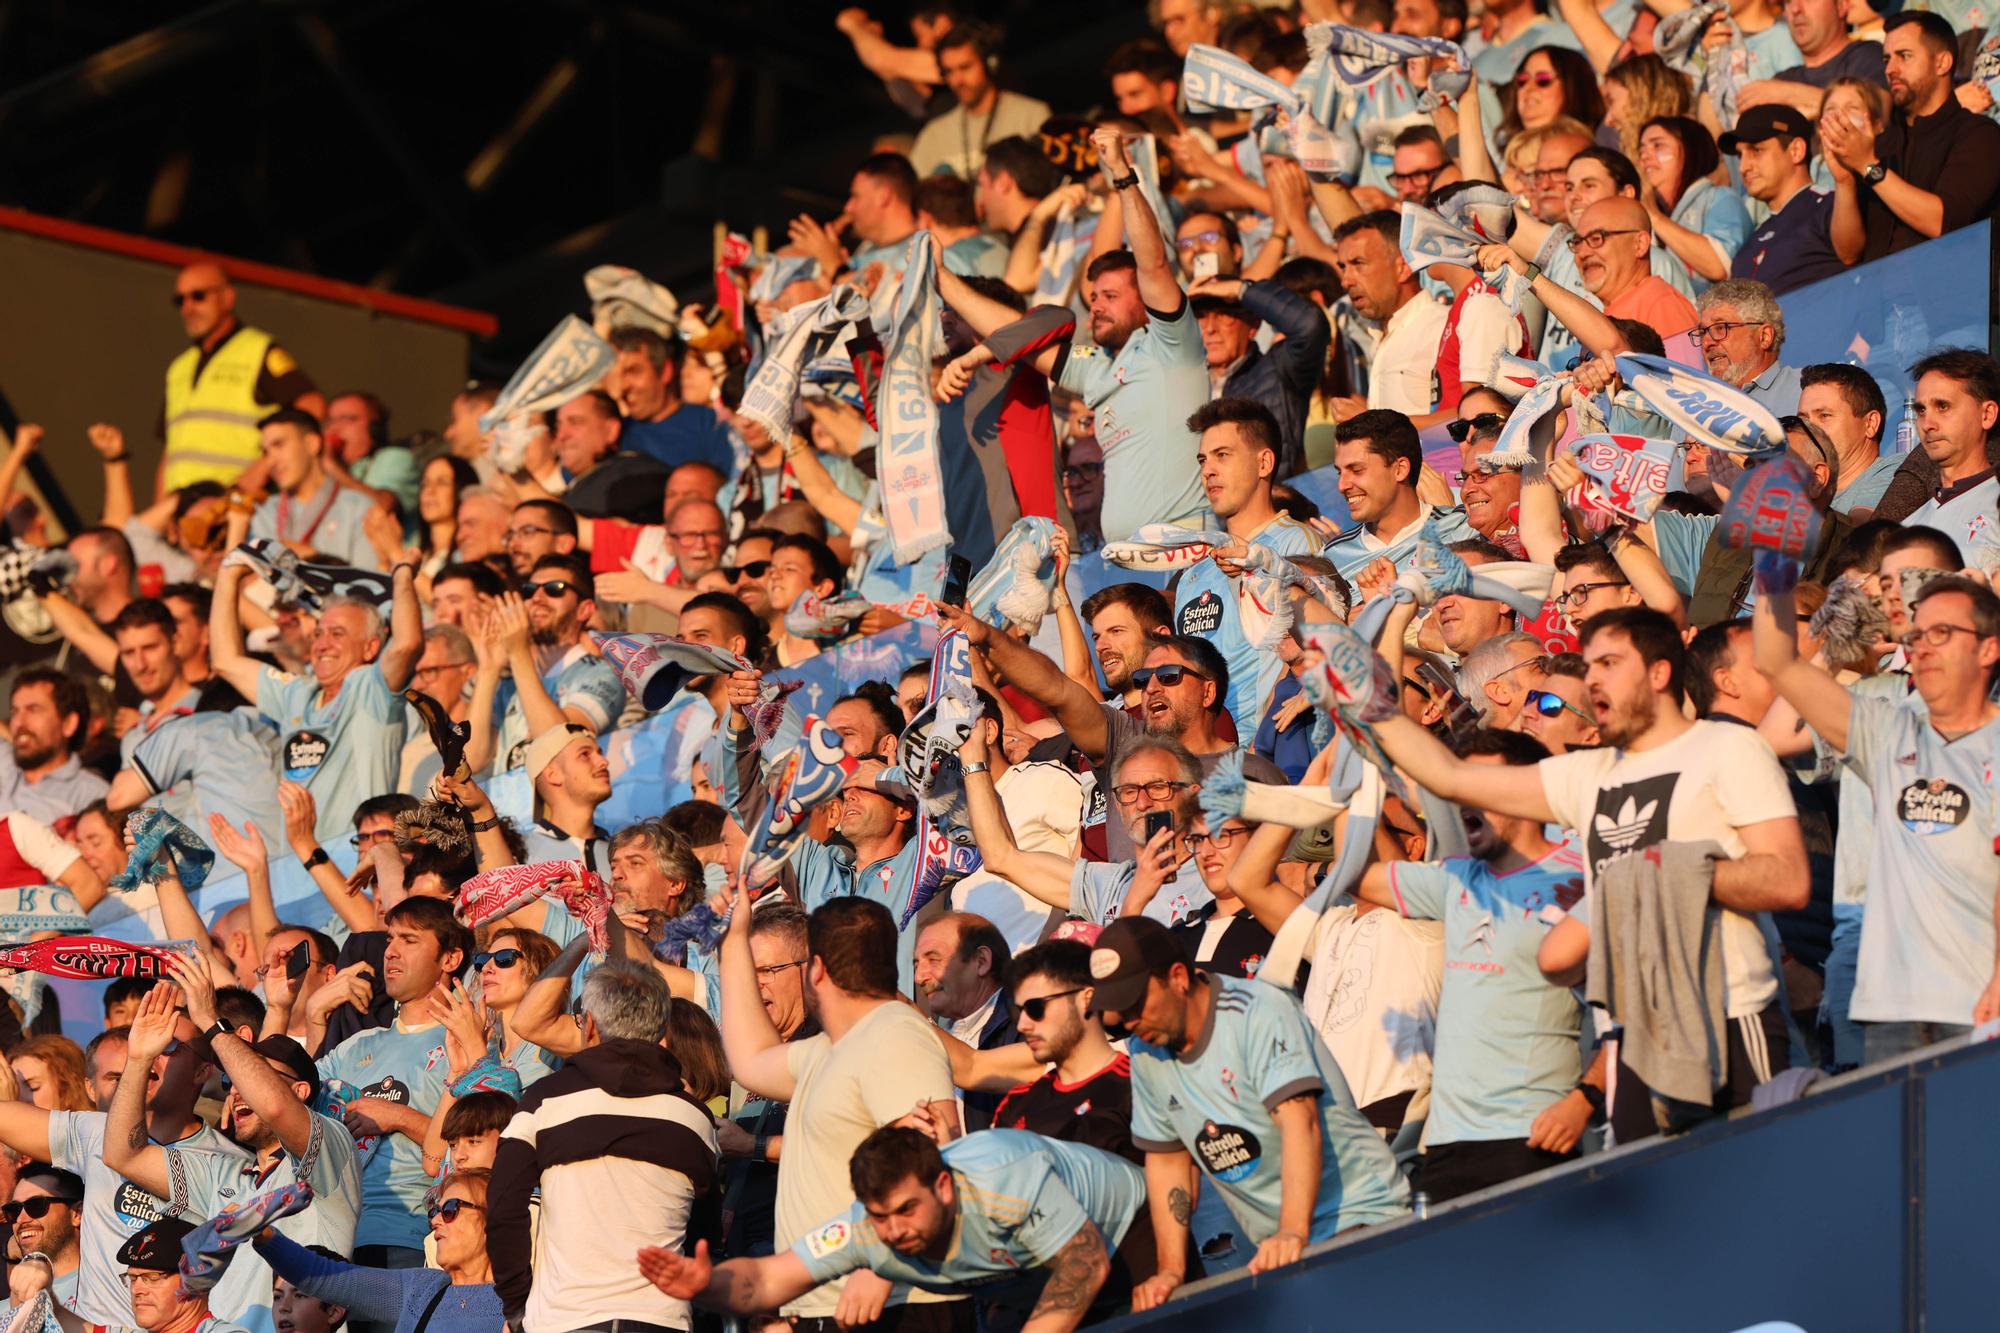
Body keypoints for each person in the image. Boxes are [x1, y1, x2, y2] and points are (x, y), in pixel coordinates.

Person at [1373, 606, 1809, 1140]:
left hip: (1731, 1018)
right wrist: (1365, 698)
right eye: (1590, 664)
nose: (1594, 677)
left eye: (1609, 662)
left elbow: (1787, 880)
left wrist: (1666, 870)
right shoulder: (1587, 775)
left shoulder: (1726, 747)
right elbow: (1447, 776)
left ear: (1659, 673)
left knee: (1760, 1195)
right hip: (1632, 1040)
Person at [1087, 917, 1409, 1302]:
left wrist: (1292, 1232)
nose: (1127, 1020)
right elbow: (1168, 1162)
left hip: (1361, 1217)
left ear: (1178, 977)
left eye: (1135, 1003)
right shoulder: (1145, 1050)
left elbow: (1299, 1124)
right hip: (1281, 1247)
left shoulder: (1257, 1011)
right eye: (1117, 1010)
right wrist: (1170, 1271)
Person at [1755, 571, 2000, 1058]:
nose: (1921, 648)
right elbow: (1779, 663)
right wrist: (1773, 564)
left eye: (1940, 634)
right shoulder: (1885, 728)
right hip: (1890, 1001)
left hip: (1975, 991)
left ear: (1989, 649)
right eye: (1914, 635)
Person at [939, 127, 1209, 544]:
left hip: (1186, 549)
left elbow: (1153, 263)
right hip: (1125, 563)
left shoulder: (1172, 344)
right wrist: (943, 280)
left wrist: (1121, 174)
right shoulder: (1096, 367)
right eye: (1094, 295)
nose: (1096, 305)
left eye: (1111, 296)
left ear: (1146, 300)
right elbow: (1015, 333)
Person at [717, 893, 963, 1332]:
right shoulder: (827, 1049)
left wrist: (880, 1267)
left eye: (767, 972)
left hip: (891, 1304)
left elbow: (937, 1158)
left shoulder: (896, 1035)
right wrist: (733, 939)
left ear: (815, 970)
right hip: (830, 1306)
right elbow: (751, 1059)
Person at [641, 1126, 1150, 1332]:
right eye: (880, 1216)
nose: (894, 1231)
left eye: (907, 1210)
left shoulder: (1000, 1177)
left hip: (1131, 1233)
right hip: (1025, 1272)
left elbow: (1085, 1265)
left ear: (945, 1188)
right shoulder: (868, 1228)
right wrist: (707, 1286)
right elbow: (768, 1279)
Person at [105, 968, 361, 1333]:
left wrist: (210, 1021)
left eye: (252, 1078)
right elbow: (122, 1155)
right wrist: (138, 1059)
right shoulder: (223, 1172)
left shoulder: (328, 1153)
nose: (237, 1090)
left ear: (301, 1092)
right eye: (231, 1081)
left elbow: (274, 1106)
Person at [491, 962, 718, 1333]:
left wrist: (517, 1306)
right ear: (661, 1029)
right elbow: (704, 1234)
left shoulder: (544, 1100)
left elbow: (502, 1207)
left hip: (563, 1319)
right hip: (662, 1321)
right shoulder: (695, 1120)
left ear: (590, 1025)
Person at [209, 558, 421, 844]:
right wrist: (228, 574)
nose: (322, 645)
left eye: (337, 634)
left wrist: (403, 574)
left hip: (360, 865)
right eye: (319, 633)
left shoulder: (371, 688)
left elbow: (408, 644)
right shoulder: (296, 693)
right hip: (297, 871)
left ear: (371, 647)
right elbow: (225, 661)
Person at [314, 897, 471, 1272]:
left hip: (412, 1239)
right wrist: (302, 1011)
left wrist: (398, 1117)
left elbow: (477, 1148)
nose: (392, 952)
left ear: (450, 959)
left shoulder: (466, 1043)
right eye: (389, 940)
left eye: (410, 940)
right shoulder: (356, 1046)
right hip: (332, 1239)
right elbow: (286, 1099)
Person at [1174, 399, 1321, 742]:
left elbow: (1310, 652)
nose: (1208, 470)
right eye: (1203, 459)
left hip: (1270, 749)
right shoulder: (1194, 572)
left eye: (1222, 455)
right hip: (1201, 758)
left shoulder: (1296, 544)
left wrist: (1261, 747)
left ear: (1264, 462)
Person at [1822, 11, 2000, 262]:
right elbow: (1848, 254)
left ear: (1942, 63)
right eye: (1886, 60)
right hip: (1875, 297)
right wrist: (1844, 183)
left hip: (1949, 295)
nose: (1891, 69)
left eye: (1904, 56)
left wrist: (1868, 167)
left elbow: (1943, 222)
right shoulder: (1879, 145)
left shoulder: (1979, 135)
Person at [254, 1171, 501, 1333]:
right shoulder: (423, 1289)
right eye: (433, 1212)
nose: (436, 1220)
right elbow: (324, 1276)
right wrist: (258, 1230)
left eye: (450, 1209)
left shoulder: (528, 1304)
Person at [159, 260, 322, 495]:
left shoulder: (258, 349)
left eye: (198, 296)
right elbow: (171, 450)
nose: (187, 308)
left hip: (235, 503)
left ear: (227, 297)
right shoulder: (179, 367)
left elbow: (312, 405)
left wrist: (264, 466)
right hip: (182, 511)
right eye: (180, 300)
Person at [1185, 279, 1330, 480]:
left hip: (1276, 506)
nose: (1210, 328)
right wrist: (1177, 310)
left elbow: (1310, 326)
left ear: (1253, 325)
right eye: (1200, 317)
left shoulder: (1279, 369)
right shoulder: (1184, 384)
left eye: (1224, 316)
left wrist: (1242, 290)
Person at [1322, 410, 1474, 579]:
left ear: (1400, 469)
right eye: (1339, 473)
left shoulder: (1464, 529)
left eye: (1357, 470)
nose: (1342, 486)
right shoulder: (1331, 559)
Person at [1724, 106, 1855, 292]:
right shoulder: (1747, 249)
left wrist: (1844, 183)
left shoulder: (1831, 207)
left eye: (1757, 150)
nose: (1743, 167)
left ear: (1796, 150)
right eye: (1739, 156)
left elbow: (1850, 254)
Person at [1333, 211, 1445, 417]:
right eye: (1343, 267)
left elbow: (1464, 419)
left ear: (1403, 267)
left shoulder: (1443, 326)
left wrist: (1368, 423)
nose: (1345, 280)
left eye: (1358, 263)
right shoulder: (1380, 335)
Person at [911, 914, 1017, 1130]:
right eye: (916, 964)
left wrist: (903, 1011)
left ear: (981, 961)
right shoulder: (936, 1035)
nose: (919, 977)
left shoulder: (1027, 1026)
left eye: (933, 960)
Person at [247, 409, 384, 572]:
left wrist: (311, 558)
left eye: (279, 445)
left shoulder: (358, 508)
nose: (270, 462)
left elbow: (370, 587)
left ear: (312, 444)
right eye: (265, 451)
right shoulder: (264, 511)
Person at [909, 25, 1051, 180]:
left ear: (990, 63)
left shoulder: (1031, 116)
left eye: (965, 67)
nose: (957, 80)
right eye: (949, 71)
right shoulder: (933, 135)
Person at [1897, 349, 2000, 552]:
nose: (1927, 424)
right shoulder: (1905, 531)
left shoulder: (1995, 505)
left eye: (1943, 406)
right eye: (1921, 410)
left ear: (1987, 414)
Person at [1637, 117, 1752, 293]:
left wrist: (1655, 218)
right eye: (1642, 148)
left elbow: (1719, 265)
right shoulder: (1648, 211)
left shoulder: (1721, 198)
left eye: (1658, 145)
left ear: (1690, 150)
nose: (1644, 156)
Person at [607, 326, 738, 476]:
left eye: (634, 371)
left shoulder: (709, 425)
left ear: (665, 371)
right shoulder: (614, 432)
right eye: (618, 374)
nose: (624, 385)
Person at [0, 669, 107, 828]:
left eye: (33, 710)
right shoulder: (6, 764)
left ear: (68, 724)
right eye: (15, 712)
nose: (18, 722)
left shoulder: (92, 795)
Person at [1739, 0, 1885, 114]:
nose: (1795, 9)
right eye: (1789, 1)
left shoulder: (1868, 56)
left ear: (1841, 6)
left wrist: (1789, 94)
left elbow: (1876, 112)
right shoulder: (1782, 80)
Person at [1801, 362, 1900, 516]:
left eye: (1824, 416)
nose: (1808, 429)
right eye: (1803, 420)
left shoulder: (1896, 471)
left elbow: (1859, 534)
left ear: (1870, 424)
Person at [1694, 279, 1803, 416]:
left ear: (1764, 337)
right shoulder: (1692, 407)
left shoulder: (1806, 390)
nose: (1706, 343)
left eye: (1721, 328)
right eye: (1703, 332)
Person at [2, 1168, 84, 1314]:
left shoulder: (110, 1292)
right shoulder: (3, 1312)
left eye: (36, 1205)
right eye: (14, 1210)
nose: (21, 1219)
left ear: (77, 1213)